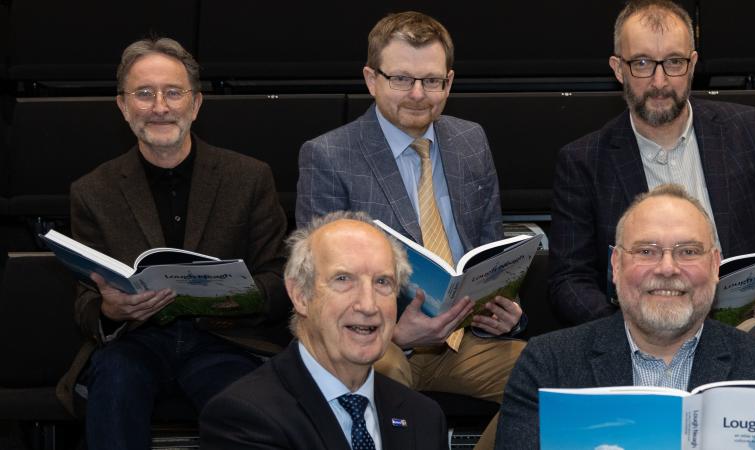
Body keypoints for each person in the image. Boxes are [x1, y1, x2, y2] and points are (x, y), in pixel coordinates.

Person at [548, 0, 755, 384]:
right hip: (640, 333)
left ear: (693, 64)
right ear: (618, 68)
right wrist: (624, 326)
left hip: (745, 325)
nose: (660, 82)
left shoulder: (745, 130)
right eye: (643, 64)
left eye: (674, 63)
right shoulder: (583, 159)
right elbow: (569, 278)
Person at [294, 11, 523, 448]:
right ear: (371, 79)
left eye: (432, 81)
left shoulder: (471, 141)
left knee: (546, 373)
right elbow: (320, 286)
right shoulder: (328, 155)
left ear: (449, 81)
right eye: (402, 79)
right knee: (381, 376)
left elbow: (491, 249)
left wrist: (506, 306)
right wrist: (393, 332)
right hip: (378, 343)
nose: (419, 95)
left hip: (464, 337)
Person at [57, 37, 290, 450]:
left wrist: (236, 293)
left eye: (173, 92)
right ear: (123, 107)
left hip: (224, 340)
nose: (159, 107)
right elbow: (84, 301)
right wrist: (110, 311)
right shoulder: (93, 190)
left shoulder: (249, 177)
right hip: (136, 341)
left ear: (196, 104)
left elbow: (279, 278)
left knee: (248, 407)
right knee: (113, 383)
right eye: (143, 94)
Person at [498, 184, 755, 449]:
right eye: (646, 251)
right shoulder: (548, 367)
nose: (667, 268)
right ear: (615, 265)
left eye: (688, 251)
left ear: (714, 265)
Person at [200, 211, 446, 449]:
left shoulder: (423, 417)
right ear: (300, 295)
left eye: (382, 282)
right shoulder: (245, 416)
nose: (369, 305)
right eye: (343, 279)